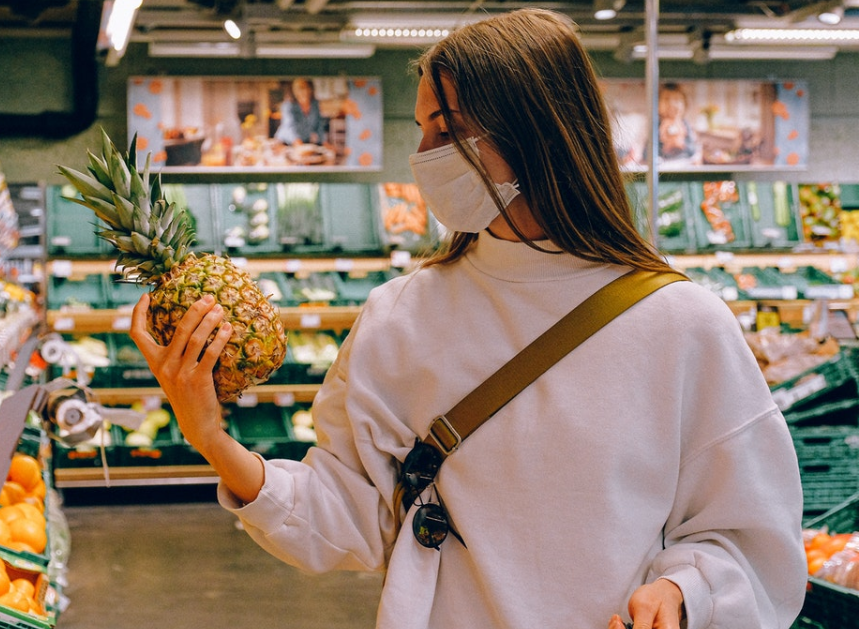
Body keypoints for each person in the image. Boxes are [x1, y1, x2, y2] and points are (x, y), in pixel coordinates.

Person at [129, 9, 806, 629]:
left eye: (446, 130)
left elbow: (752, 535)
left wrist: (686, 590)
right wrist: (213, 438)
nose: (424, 154)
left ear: (536, 133)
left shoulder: (682, 325)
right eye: (421, 128)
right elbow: (351, 517)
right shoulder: (402, 315)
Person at [273, 77, 329, 145]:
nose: (301, 91)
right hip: (285, 142)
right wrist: (297, 142)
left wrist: (324, 142)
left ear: (310, 88)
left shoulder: (315, 104)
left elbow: (319, 125)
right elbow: (289, 126)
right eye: (297, 88)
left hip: (303, 141)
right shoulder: (288, 105)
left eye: (304, 87)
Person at [658, 82, 697, 160]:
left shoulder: (685, 125)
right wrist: (664, 149)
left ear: (685, 105)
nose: (671, 104)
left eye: (676, 99)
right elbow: (647, 152)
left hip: (683, 164)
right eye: (666, 99)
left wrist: (683, 145)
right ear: (657, 105)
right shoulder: (656, 126)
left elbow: (693, 149)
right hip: (663, 166)